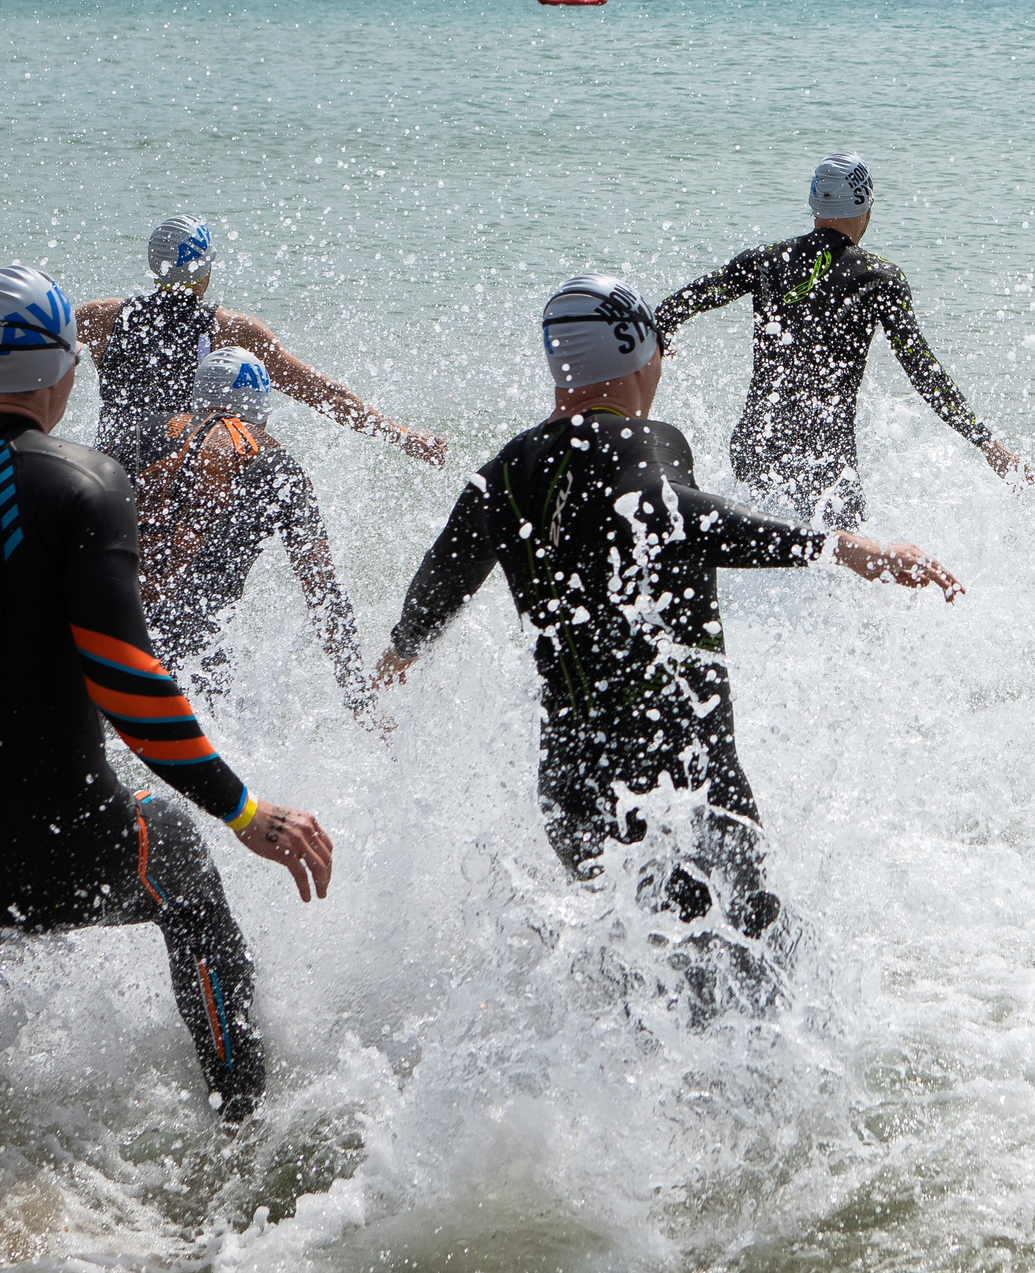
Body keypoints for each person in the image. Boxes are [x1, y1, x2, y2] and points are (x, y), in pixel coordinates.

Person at [0, 263, 334, 1123]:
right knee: (184, 870)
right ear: (65, 369)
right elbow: (128, 681)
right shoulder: (84, 485)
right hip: (72, 852)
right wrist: (247, 810)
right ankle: (241, 1125)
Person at [375, 276, 962, 945]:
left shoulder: (503, 472)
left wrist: (401, 651)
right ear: (636, 349)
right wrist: (839, 547)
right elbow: (681, 513)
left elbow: (440, 582)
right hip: (681, 778)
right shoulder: (647, 441)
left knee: (636, 982)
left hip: (572, 785)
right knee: (750, 969)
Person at [652, 153, 1026, 526]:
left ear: (814, 202)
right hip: (824, 453)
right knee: (845, 560)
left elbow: (672, 309)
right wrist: (984, 441)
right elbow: (921, 369)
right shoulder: (879, 279)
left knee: (766, 550)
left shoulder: (765, 260)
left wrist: (657, 349)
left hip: (757, 441)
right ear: (864, 203)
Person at [75, 215, 446, 479]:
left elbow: (28, 345)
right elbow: (318, 391)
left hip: (111, 476)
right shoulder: (231, 330)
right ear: (206, 268)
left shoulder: (102, 318)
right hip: (187, 481)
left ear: (154, 264)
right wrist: (401, 436)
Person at [132, 348, 373, 716]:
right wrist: (359, 695)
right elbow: (321, 589)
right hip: (197, 656)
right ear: (260, 399)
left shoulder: (143, 432)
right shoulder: (275, 463)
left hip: (116, 637)